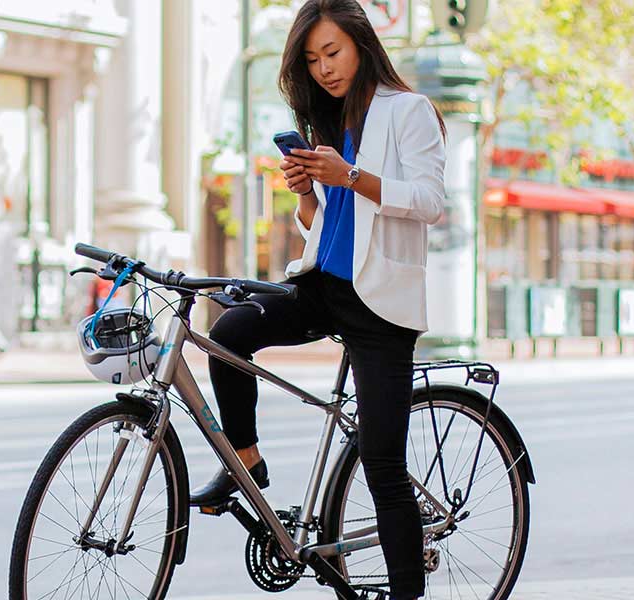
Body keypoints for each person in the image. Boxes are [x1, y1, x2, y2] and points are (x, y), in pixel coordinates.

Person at [193, 2, 446, 598]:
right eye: (312, 60)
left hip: (381, 306)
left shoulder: (408, 111)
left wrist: (349, 174)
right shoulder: (327, 123)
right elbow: (325, 225)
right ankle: (247, 463)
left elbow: (433, 201)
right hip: (321, 287)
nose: (325, 69)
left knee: (383, 467)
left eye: (332, 53)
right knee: (228, 337)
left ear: (361, 42)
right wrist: (309, 193)